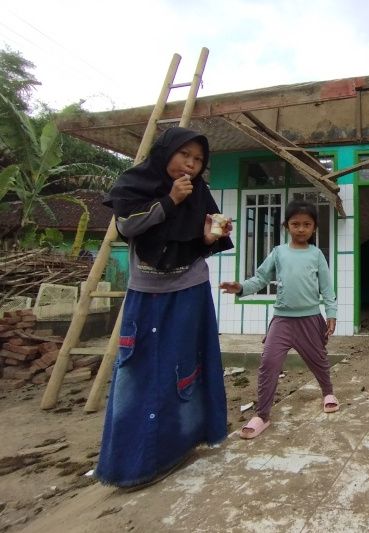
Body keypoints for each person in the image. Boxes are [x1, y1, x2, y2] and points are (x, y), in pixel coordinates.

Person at [96, 127, 234, 488]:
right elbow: (127, 226)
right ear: (165, 152)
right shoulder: (136, 183)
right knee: (138, 370)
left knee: (186, 364)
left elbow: (196, 243)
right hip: (148, 291)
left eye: (198, 159)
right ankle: (132, 464)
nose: (190, 164)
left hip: (190, 288)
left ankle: (181, 444)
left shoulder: (199, 191)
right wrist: (170, 200)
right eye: (184, 154)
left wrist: (210, 236)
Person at [220, 200, 338, 439]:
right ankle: (262, 415)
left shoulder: (317, 255)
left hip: (310, 319)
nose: (301, 229)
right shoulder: (278, 253)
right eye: (296, 224)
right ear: (287, 226)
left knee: (319, 361)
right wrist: (241, 287)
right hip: (282, 321)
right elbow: (260, 279)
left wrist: (331, 313)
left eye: (307, 224)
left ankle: (328, 392)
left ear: (314, 227)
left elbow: (327, 288)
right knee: (268, 365)